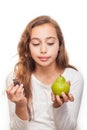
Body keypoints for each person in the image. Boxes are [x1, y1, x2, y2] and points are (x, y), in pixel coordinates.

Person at [6, 15, 84, 130]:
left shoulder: (73, 77)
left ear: (59, 46)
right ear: (28, 47)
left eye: (50, 43)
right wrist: (20, 105)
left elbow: (68, 128)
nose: (43, 50)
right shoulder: (16, 78)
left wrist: (59, 106)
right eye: (36, 43)